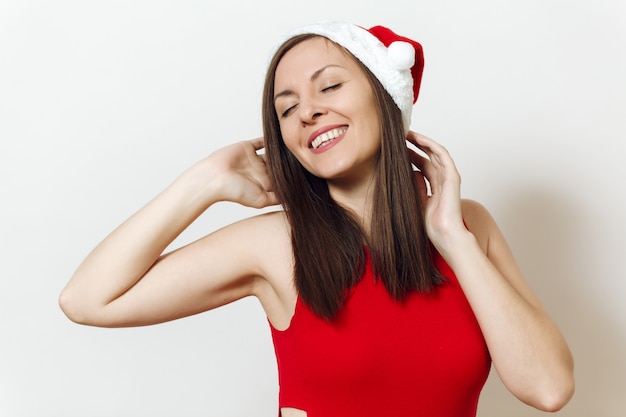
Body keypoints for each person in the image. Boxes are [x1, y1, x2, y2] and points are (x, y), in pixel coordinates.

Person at [59, 21, 574, 417]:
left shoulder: (469, 228)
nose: (307, 112)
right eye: (287, 109)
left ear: (385, 96)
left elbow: (549, 388)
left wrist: (452, 239)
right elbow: (87, 300)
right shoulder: (276, 243)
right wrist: (205, 182)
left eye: (328, 87)